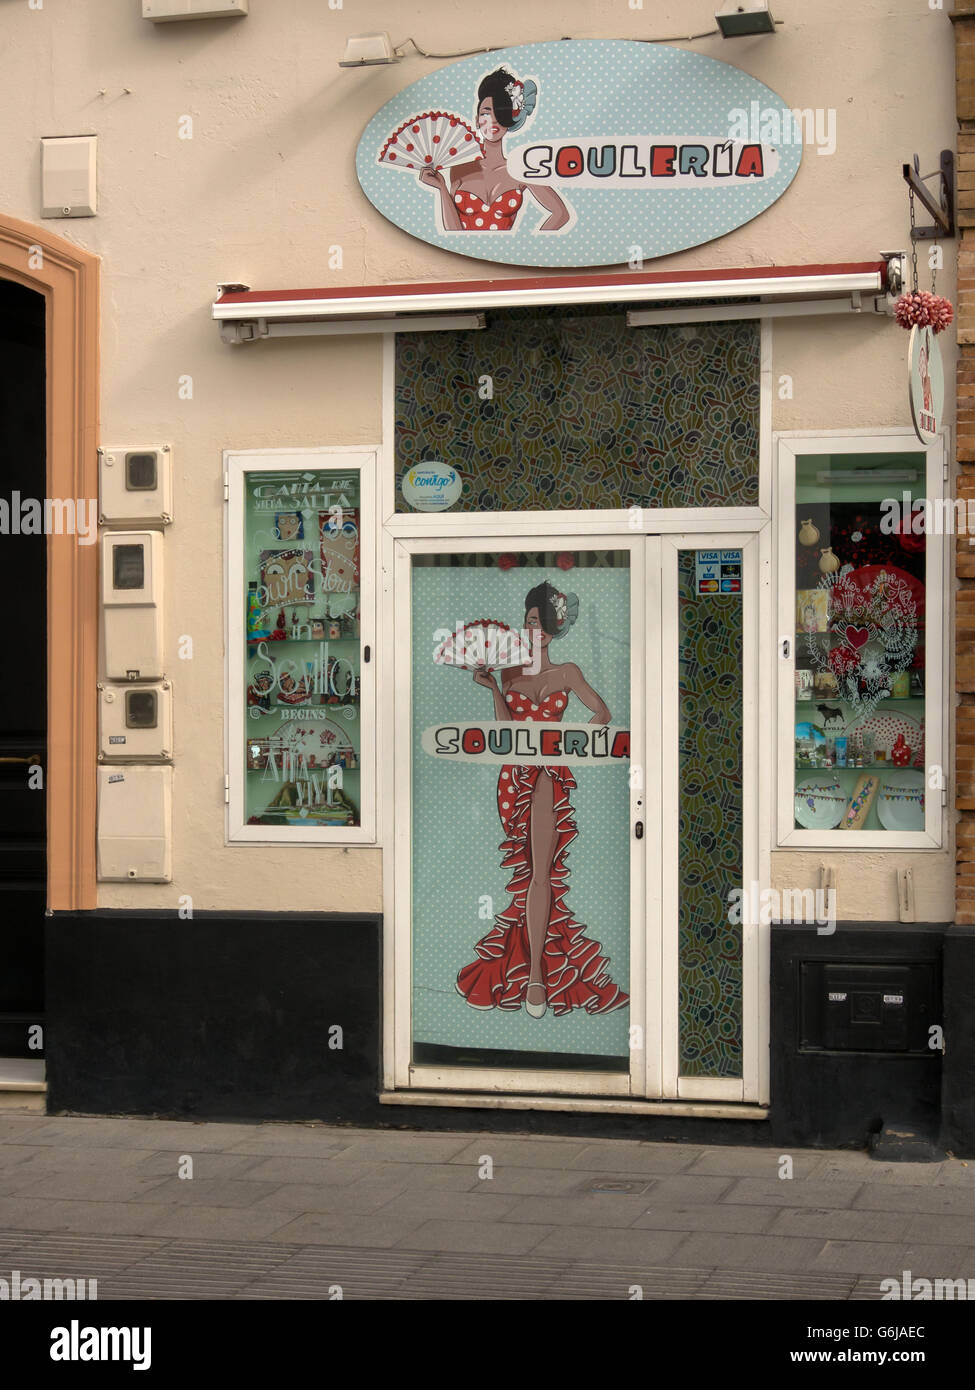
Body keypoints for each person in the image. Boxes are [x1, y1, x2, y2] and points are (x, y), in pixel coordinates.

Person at [456, 580, 628, 1018]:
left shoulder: (567, 672)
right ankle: (536, 964)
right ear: (525, 624)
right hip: (512, 777)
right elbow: (504, 728)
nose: (538, 630)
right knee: (530, 871)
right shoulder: (511, 674)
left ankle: (535, 976)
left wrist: (570, 744)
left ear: (556, 629)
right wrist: (493, 687)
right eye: (532, 621)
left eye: (545, 623)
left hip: (548, 775)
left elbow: (602, 713)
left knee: (540, 873)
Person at [419, 68, 570, 233]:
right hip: (464, 255)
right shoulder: (461, 168)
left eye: (500, 113)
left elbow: (561, 214)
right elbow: (454, 232)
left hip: (507, 256)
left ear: (510, 119)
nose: (493, 121)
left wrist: (531, 244)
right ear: (477, 121)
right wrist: (441, 188)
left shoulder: (519, 168)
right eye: (486, 113)